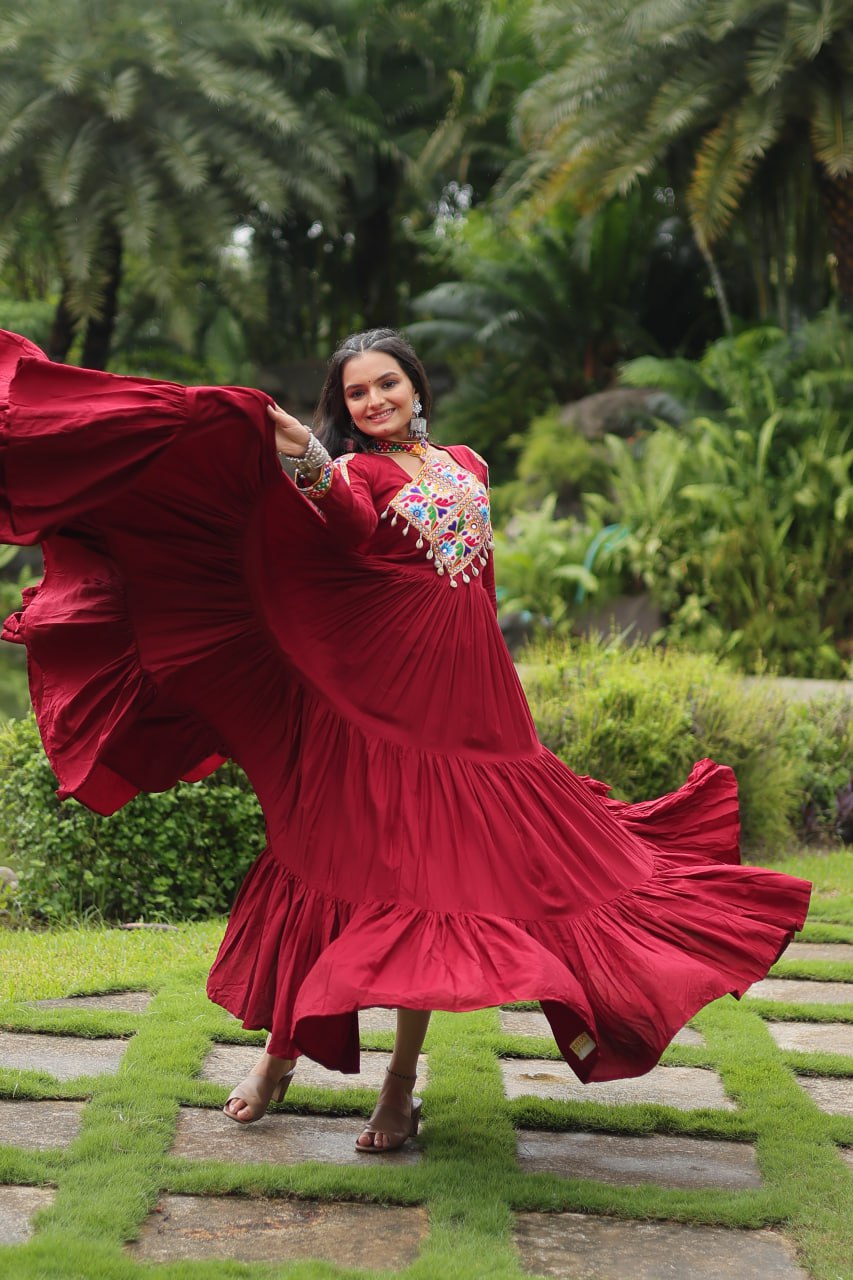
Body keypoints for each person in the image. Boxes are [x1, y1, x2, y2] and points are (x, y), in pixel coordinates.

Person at [0, 326, 811, 1156]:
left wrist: (499, 699)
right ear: (343, 407)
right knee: (336, 864)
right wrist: (297, 447)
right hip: (379, 701)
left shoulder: (469, 464)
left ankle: (399, 1087)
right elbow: (348, 531)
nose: (374, 401)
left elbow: (479, 585)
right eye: (356, 392)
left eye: (385, 384)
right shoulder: (354, 470)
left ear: (415, 387)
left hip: (470, 701)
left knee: (441, 888)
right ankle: (277, 1060)